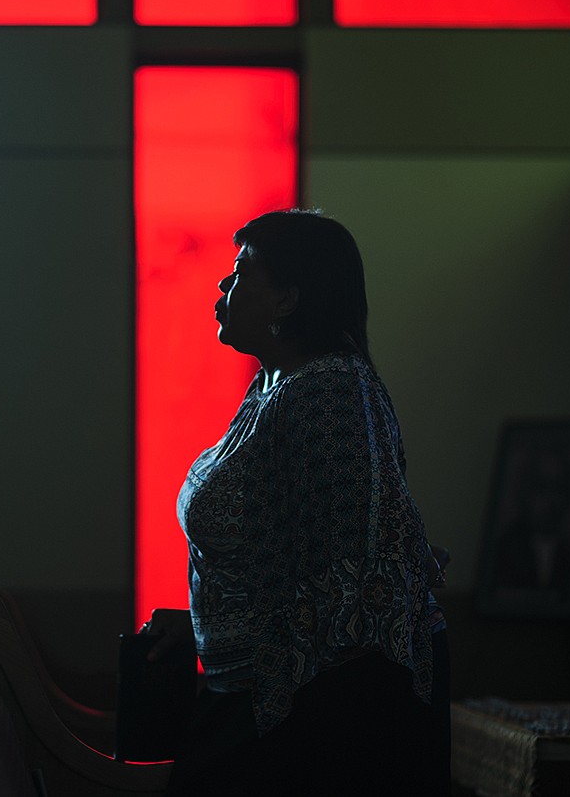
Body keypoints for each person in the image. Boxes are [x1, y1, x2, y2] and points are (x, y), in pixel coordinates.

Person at [141, 209, 450, 796]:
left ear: (286, 300)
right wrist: (205, 626)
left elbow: (356, 578)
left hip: (322, 721)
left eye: (240, 274)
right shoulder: (274, 386)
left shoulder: (329, 390)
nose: (223, 287)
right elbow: (280, 553)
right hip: (270, 700)